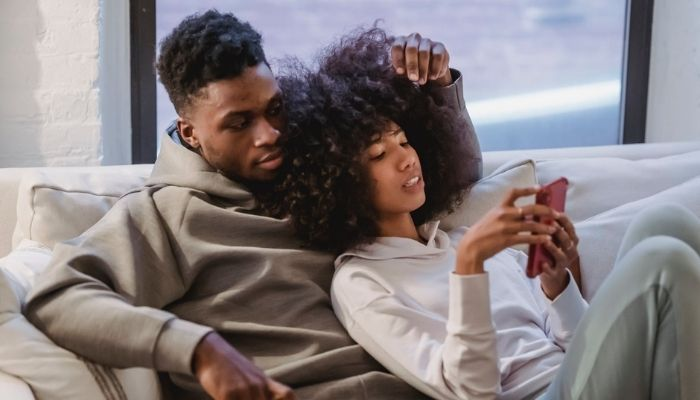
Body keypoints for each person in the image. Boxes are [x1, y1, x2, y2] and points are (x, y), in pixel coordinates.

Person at [24, 9, 481, 400]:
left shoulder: (315, 162)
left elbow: (448, 182)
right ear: (191, 133)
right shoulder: (167, 214)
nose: (269, 135)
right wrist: (200, 349)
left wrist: (437, 86)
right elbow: (57, 297)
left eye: (275, 108)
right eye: (238, 123)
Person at [275, 28, 700, 400]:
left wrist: (556, 284)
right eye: (380, 154)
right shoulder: (361, 283)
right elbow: (469, 391)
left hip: (573, 380)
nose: (406, 159)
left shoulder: (459, 240)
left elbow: (571, 345)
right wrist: (469, 270)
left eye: (404, 141)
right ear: (339, 182)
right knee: (662, 259)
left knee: (664, 224)